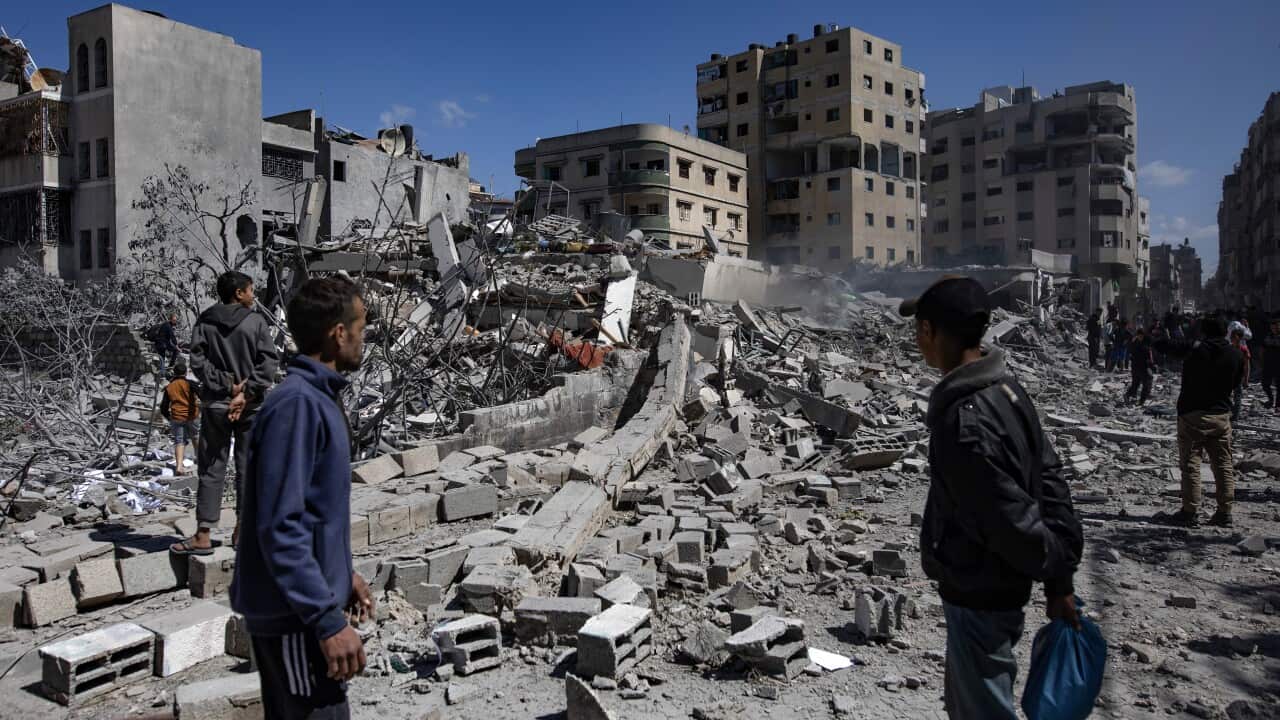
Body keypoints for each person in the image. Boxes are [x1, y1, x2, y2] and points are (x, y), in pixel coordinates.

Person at [902, 276, 1083, 720]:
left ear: (929, 332)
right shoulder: (1008, 391)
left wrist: (1055, 570)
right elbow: (1050, 481)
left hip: (980, 592)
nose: (916, 340)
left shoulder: (965, 424)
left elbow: (1010, 520)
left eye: (919, 329)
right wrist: (1060, 582)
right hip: (995, 588)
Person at [232, 276, 371, 719]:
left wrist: (341, 573)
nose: (363, 339)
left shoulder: (315, 399)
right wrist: (326, 619)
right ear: (339, 333)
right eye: (361, 328)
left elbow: (313, 512)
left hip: (301, 612)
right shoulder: (297, 405)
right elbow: (280, 525)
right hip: (294, 620)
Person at [173, 271, 280, 556]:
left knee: (211, 467)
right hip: (251, 407)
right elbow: (269, 363)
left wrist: (225, 386)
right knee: (249, 468)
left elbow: (197, 361)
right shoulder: (256, 322)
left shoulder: (205, 321)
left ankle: (204, 534)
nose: (254, 295)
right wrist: (245, 391)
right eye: (251, 290)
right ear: (238, 294)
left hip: (216, 406)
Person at [1156, 314, 1244, 527]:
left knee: (1191, 465)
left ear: (1204, 331)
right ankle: (1224, 512)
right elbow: (1236, 384)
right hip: (1221, 416)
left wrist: (1152, 337)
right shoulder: (1236, 354)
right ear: (1227, 332)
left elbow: (1167, 346)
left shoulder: (1195, 349)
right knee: (1223, 464)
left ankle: (1190, 511)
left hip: (1192, 415)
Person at [160, 361, 199, 476]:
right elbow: (202, 394)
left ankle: (179, 467)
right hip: (191, 415)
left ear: (174, 373)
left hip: (176, 417)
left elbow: (163, 407)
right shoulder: (190, 384)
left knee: (179, 441)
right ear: (186, 373)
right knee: (195, 437)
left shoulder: (169, 387)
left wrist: (169, 417)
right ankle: (200, 460)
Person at [1125, 327, 1154, 405]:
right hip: (1141, 367)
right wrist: (1151, 365)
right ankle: (1140, 400)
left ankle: (1130, 396)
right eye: (1139, 335)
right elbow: (1149, 355)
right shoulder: (1140, 344)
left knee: (1137, 384)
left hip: (1137, 366)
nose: (1140, 337)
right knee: (1144, 384)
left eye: (1141, 335)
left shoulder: (1136, 342)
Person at [1230, 327, 1251, 421]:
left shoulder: (1244, 350)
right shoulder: (1228, 348)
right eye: (1231, 337)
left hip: (1238, 377)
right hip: (1228, 377)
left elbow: (1247, 366)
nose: (1232, 339)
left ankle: (1235, 416)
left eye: (1234, 337)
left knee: (1237, 398)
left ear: (1239, 338)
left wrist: (1246, 380)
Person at [1262, 316, 1280, 412]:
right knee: (1265, 384)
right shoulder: (1268, 335)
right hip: (1268, 364)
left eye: (1277, 327)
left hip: (1278, 364)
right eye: (1273, 327)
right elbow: (1264, 346)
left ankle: (1278, 405)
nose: (1274, 329)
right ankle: (1271, 399)